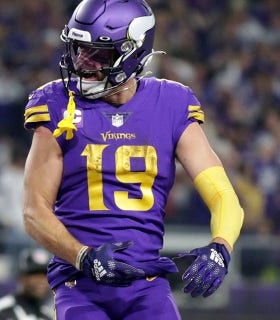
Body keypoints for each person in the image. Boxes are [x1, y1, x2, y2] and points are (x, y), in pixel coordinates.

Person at [21, 1, 244, 319]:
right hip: (79, 284)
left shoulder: (171, 103)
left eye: (98, 54)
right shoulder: (57, 104)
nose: (83, 63)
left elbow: (224, 197)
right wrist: (84, 257)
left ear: (134, 52)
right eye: (79, 50)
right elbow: (33, 212)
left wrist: (221, 248)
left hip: (147, 285)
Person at [0, 248, 53, 320]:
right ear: (21, 277)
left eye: (45, 274)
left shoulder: (48, 315)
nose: (41, 280)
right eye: (34, 273)